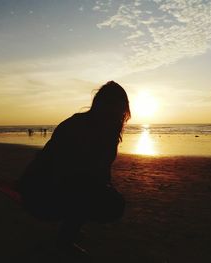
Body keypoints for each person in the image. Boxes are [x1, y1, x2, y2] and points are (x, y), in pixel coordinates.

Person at [17, 81, 130, 255]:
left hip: (55, 188)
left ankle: (71, 225)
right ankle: (64, 241)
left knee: (105, 197)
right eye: (113, 109)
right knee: (99, 196)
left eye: (119, 111)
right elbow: (62, 169)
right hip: (41, 194)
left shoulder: (103, 131)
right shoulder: (81, 127)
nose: (117, 115)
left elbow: (100, 173)